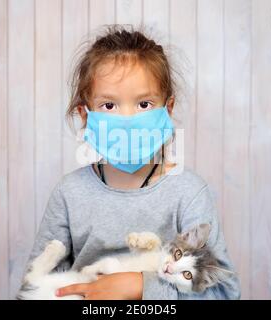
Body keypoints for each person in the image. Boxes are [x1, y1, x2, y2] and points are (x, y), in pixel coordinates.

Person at [23, 25, 240, 300]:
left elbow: (224, 293)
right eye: (109, 106)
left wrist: (141, 287)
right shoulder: (69, 193)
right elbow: (35, 287)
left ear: (167, 109)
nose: (127, 120)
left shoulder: (189, 193)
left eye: (144, 104)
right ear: (85, 114)